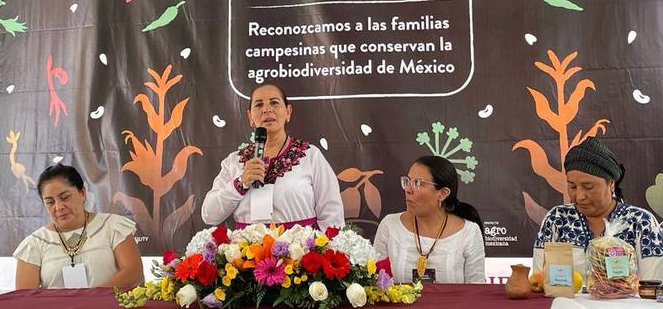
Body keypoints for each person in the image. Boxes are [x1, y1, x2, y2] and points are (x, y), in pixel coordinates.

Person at [201, 83, 344, 230]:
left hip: (299, 250)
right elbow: (209, 215)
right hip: (246, 251)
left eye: (274, 103)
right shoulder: (234, 162)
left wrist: (322, 250)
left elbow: (332, 213)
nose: (267, 109)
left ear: (288, 112)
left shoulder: (310, 155)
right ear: (250, 116)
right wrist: (240, 183)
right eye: (259, 105)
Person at [532, 137, 663, 281]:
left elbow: (654, 288)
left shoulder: (641, 222)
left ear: (611, 184)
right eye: (572, 186)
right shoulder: (557, 219)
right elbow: (540, 281)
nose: (579, 196)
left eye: (588, 186)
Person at [13, 164, 143, 289]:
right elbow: (24, 299)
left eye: (65, 197)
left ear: (82, 193)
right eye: (50, 202)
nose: (58, 207)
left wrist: (88, 300)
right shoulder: (34, 244)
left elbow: (134, 274)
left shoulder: (112, 226)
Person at [374, 155, 485, 284]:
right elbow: (376, 284)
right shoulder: (389, 225)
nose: (408, 189)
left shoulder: (469, 232)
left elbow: (477, 292)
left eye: (417, 183)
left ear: (442, 194)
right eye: (407, 181)